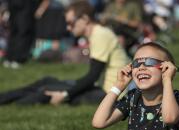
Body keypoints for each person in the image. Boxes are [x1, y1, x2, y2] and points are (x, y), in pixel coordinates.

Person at [0, 1, 128, 105]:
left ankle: (17, 104)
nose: (68, 28)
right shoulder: (98, 33)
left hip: (111, 94)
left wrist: (64, 95)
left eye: (70, 23)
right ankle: (7, 99)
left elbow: (92, 76)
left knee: (46, 90)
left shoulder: (100, 35)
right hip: (104, 89)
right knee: (47, 81)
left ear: (85, 19)